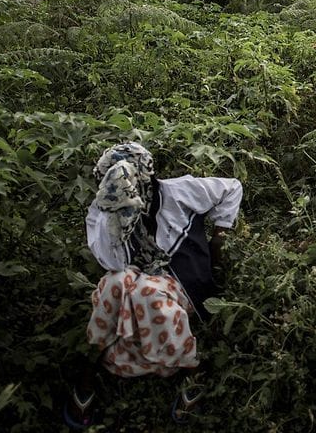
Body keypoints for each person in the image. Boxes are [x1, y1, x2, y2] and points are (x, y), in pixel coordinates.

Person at [64, 142, 243, 428]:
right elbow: (112, 263)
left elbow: (231, 187)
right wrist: (117, 220)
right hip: (135, 279)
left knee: (145, 292)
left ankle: (192, 368)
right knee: (114, 283)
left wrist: (219, 237)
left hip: (182, 282)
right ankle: (91, 363)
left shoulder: (177, 191)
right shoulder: (101, 213)